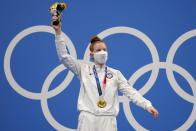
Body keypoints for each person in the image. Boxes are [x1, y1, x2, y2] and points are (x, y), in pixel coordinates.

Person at [51, 15, 159, 131]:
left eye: (104, 50)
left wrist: (147, 105)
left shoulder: (116, 74)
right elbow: (63, 57)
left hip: (108, 121)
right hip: (87, 119)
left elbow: (131, 92)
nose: (102, 52)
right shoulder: (83, 69)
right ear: (91, 55)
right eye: (98, 50)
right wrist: (58, 33)